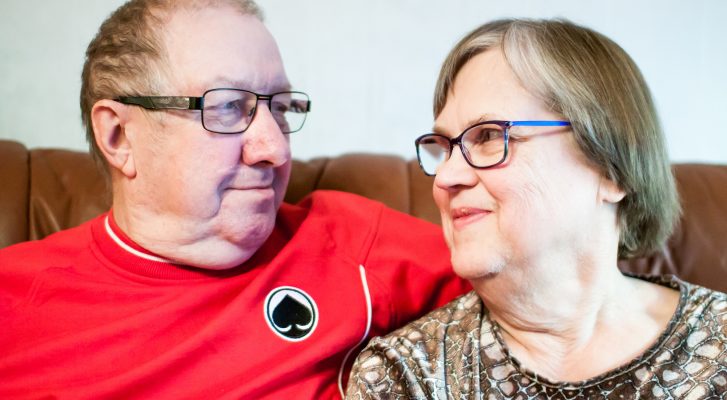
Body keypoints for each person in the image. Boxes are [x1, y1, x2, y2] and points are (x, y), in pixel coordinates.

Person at [0, 1, 469, 398]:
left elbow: (512, 294)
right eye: (227, 107)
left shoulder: (350, 241)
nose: (275, 149)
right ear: (119, 136)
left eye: (280, 108)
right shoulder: (13, 302)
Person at [346, 18, 727, 399]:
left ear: (611, 169)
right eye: (445, 148)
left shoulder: (719, 344)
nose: (445, 177)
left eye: (489, 136)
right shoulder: (404, 376)